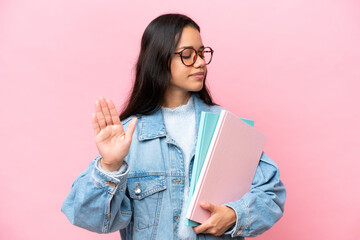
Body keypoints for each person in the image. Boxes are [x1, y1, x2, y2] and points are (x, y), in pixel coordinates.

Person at [61, 13, 286, 240]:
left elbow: (272, 193)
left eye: (201, 53)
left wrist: (234, 215)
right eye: (187, 55)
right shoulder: (129, 135)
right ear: (159, 59)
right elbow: (86, 216)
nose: (199, 62)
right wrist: (109, 166)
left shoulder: (226, 125)